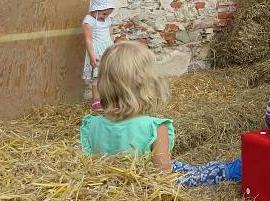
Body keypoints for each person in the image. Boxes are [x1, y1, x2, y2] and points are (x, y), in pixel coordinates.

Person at [80, 41, 242, 187]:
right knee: (198, 173)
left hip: (117, 186)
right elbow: (163, 177)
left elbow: (94, 167)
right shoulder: (154, 128)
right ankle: (230, 170)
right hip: (145, 185)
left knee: (180, 165)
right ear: (146, 86)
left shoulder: (91, 125)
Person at [83, 0, 116, 111]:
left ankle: (106, 98)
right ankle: (96, 100)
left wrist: (113, 47)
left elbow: (110, 35)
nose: (105, 16)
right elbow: (88, 39)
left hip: (107, 50)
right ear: (95, 10)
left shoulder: (107, 20)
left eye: (108, 14)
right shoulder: (89, 21)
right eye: (104, 14)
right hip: (96, 51)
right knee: (97, 78)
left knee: (107, 76)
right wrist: (92, 56)